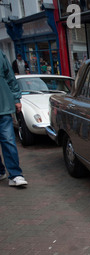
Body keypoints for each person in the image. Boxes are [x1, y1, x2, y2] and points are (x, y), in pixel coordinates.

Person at [0, 49, 28, 186]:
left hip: (2, 106)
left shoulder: (0, 54)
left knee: (8, 140)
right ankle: (0, 171)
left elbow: (10, 77)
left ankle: (15, 175)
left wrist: (16, 98)